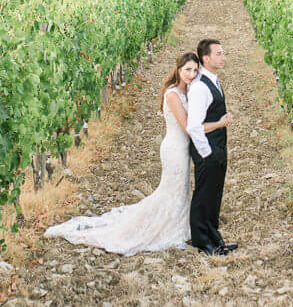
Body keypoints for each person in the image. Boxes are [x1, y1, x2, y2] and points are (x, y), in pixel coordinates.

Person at [44, 52, 230, 255]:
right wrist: (218, 124)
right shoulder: (173, 94)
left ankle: (181, 224)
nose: (191, 74)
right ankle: (160, 227)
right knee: (171, 190)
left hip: (184, 150)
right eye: (187, 70)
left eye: (195, 70)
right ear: (178, 69)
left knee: (181, 189)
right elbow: (188, 127)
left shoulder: (190, 91)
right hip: (175, 149)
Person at [186, 38, 237, 256]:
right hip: (207, 149)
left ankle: (215, 239)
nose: (223, 57)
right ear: (205, 58)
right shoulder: (200, 87)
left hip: (217, 148)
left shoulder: (213, 81)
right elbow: (193, 126)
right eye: (219, 54)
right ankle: (201, 241)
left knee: (214, 194)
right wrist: (207, 153)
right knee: (204, 195)